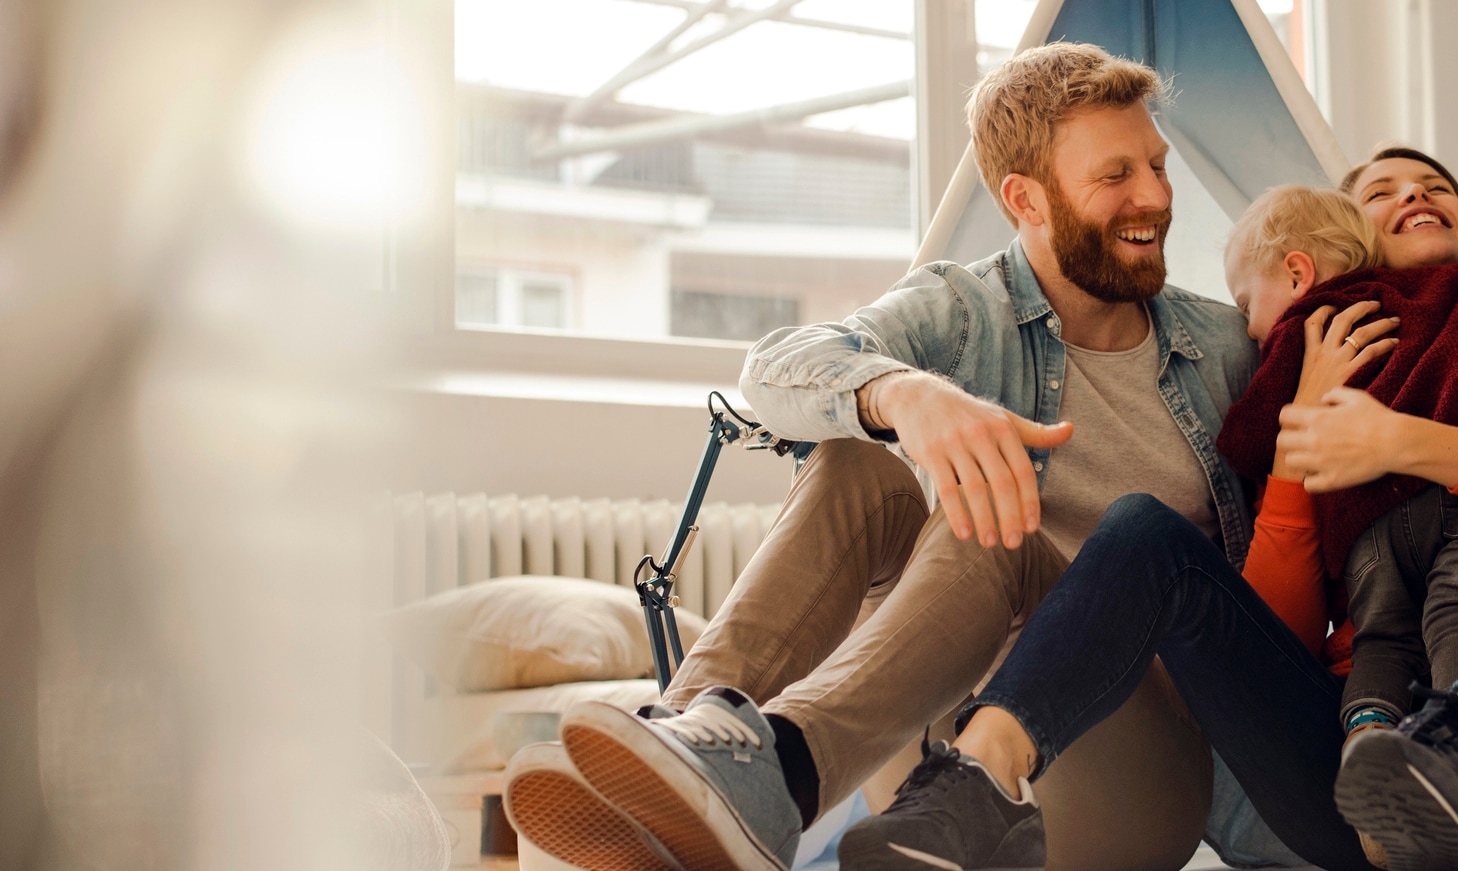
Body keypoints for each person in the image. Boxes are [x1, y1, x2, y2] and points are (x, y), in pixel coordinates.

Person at [838, 148, 1458, 871]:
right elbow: (1274, 626)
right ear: (1338, 253)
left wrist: (1403, 443)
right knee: (1139, 528)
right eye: (1381, 191)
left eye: (1435, 186)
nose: (1412, 194)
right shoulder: (1310, 372)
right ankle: (976, 776)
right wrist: (1298, 437)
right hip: (1363, 796)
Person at [500, 43, 1260, 871]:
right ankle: (675, 761)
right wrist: (900, 395)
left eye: (1156, 163)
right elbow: (776, 367)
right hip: (942, 755)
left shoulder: (1223, 347)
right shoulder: (966, 311)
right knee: (855, 466)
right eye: (1116, 175)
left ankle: (781, 776)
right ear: (1025, 200)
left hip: (1134, 765)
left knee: (992, 521)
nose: (1154, 195)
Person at [1215, 185, 1458, 752]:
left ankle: (1368, 735)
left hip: (1369, 524)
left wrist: (1270, 435)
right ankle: (1455, 742)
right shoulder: (1453, 286)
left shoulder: (1301, 332)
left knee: (1382, 640)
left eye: (1246, 305)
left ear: (1297, 273)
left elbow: (1247, 439)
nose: (1248, 328)